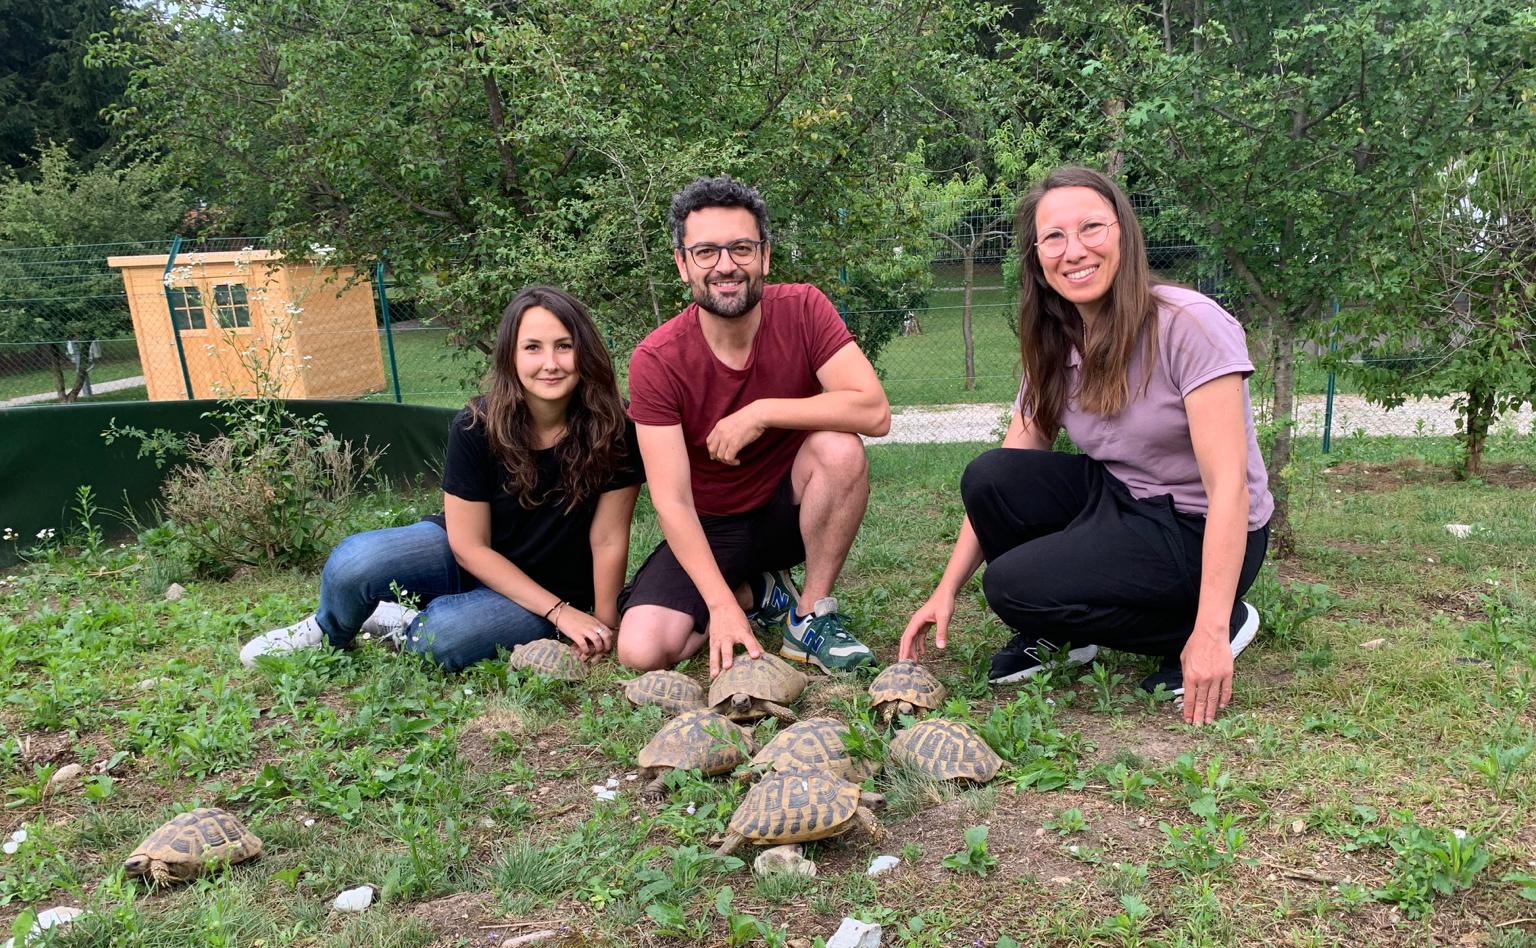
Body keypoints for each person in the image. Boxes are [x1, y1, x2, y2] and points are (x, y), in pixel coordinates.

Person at [899, 166, 1274, 726]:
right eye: (1053, 237)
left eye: (1091, 228)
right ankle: (1062, 636)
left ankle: (1213, 621)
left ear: (1124, 232)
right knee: (989, 476)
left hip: (1200, 526)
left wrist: (1209, 631)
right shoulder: (1055, 337)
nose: (1073, 250)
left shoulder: (1188, 324)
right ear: (1036, 256)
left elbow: (1228, 488)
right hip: (1120, 496)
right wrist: (945, 588)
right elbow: (1008, 471)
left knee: (1010, 588)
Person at [240, 285, 641, 672]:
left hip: (550, 586)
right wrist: (559, 615)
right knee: (355, 561)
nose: (550, 363)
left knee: (443, 639)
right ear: (511, 357)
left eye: (564, 346)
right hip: (465, 554)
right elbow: (468, 546)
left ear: (584, 352)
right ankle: (328, 631)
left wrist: (601, 623)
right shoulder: (477, 424)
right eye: (533, 347)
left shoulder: (616, 427)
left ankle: (399, 622)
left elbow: (607, 537)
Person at [615, 175, 890, 677]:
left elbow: (874, 412)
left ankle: (809, 617)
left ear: (764, 256)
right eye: (705, 252)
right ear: (682, 264)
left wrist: (762, 411)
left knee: (839, 448)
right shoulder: (655, 359)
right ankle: (752, 592)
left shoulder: (805, 308)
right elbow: (672, 501)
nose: (725, 266)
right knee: (642, 649)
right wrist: (719, 606)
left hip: (788, 509)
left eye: (741, 248)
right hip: (711, 526)